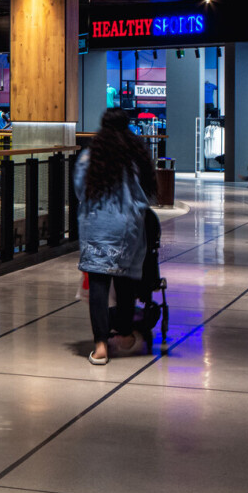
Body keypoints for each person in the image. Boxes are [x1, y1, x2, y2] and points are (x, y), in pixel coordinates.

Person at [76, 107, 156, 366]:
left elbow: (79, 189)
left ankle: (100, 348)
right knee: (125, 282)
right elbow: (145, 192)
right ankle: (123, 332)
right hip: (127, 226)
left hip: (97, 225)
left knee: (99, 284)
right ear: (127, 125)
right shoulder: (135, 155)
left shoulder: (91, 156)